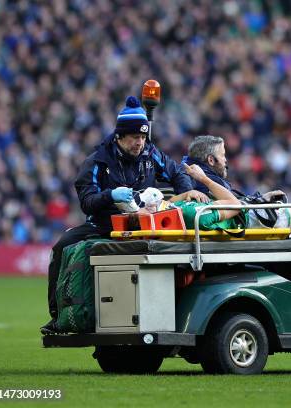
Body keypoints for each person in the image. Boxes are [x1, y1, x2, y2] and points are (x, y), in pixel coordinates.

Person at [41, 96, 201, 334]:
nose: (140, 143)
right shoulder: (97, 161)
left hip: (144, 223)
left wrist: (187, 191)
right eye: (135, 137)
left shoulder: (149, 152)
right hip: (105, 224)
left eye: (144, 137)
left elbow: (176, 171)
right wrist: (110, 196)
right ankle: (59, 317)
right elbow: (87, 202)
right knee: (61, 248)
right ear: (119, 136)